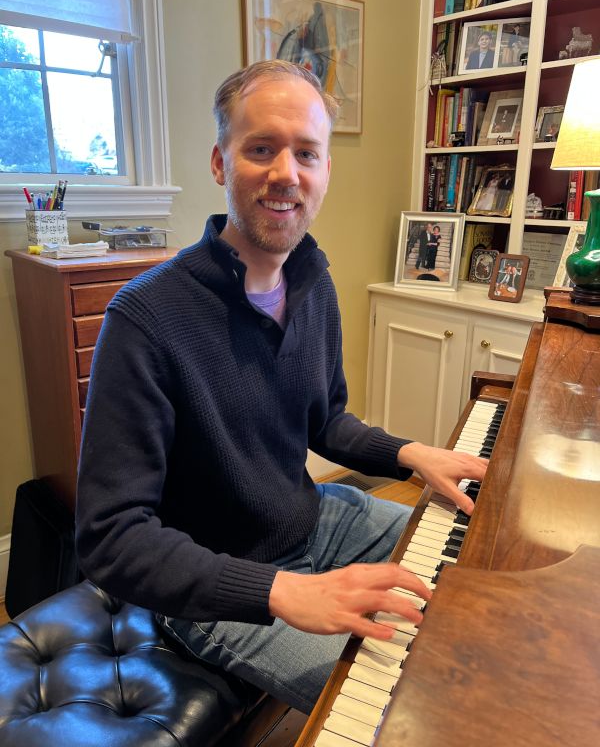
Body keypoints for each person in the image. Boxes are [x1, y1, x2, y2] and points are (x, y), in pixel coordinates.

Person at [75, 60, 487, 715]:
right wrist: (282, 592)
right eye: (261, 148)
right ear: (220, 162)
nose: (286, 173)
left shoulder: (312, 280)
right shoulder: (145, 319)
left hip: (318, 519)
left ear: (325, 170)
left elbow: (326, 422)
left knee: (477, 572)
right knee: (412, 702)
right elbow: (111, 537)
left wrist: (412, 454)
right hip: (215, 586)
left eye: (306, 153)